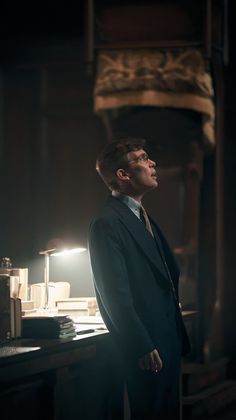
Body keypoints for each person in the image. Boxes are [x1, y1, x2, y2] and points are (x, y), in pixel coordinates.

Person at [88, 137, 190, 420]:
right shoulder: (108, 222)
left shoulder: (139, 214)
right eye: (143, 158)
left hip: (165, 336)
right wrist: (141, 344)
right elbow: (114, 294)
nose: (152, 163)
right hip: (148, 344)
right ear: (123, 175)